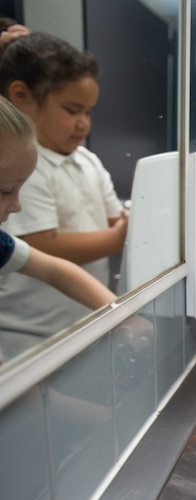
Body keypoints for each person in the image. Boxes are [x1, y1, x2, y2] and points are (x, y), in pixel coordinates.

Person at [0, 32, 128, 357]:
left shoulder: (88, 160)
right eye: (72, 110)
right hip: (31, 341)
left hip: (84, 326)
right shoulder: (22, 168)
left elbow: (116, 218)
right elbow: (43, 246)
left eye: (88, 112)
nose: (84, 124)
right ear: (20, 95)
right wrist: (120, 237)